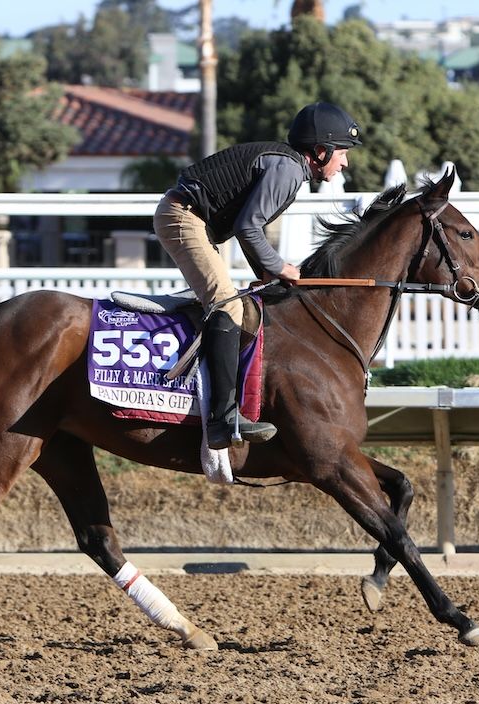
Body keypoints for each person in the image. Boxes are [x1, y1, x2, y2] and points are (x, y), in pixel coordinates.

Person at [153, 101, 361, 450]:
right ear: (321, 151)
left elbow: (250, 226)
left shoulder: (288, 166)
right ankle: (222, 419)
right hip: (184, 217)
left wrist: (265, 273)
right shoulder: (289, 170)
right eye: (342, 153)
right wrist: (280, 267)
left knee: (235, 303)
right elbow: (248, 227)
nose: (345, 163)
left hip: (193, 219)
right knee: (228, 306)